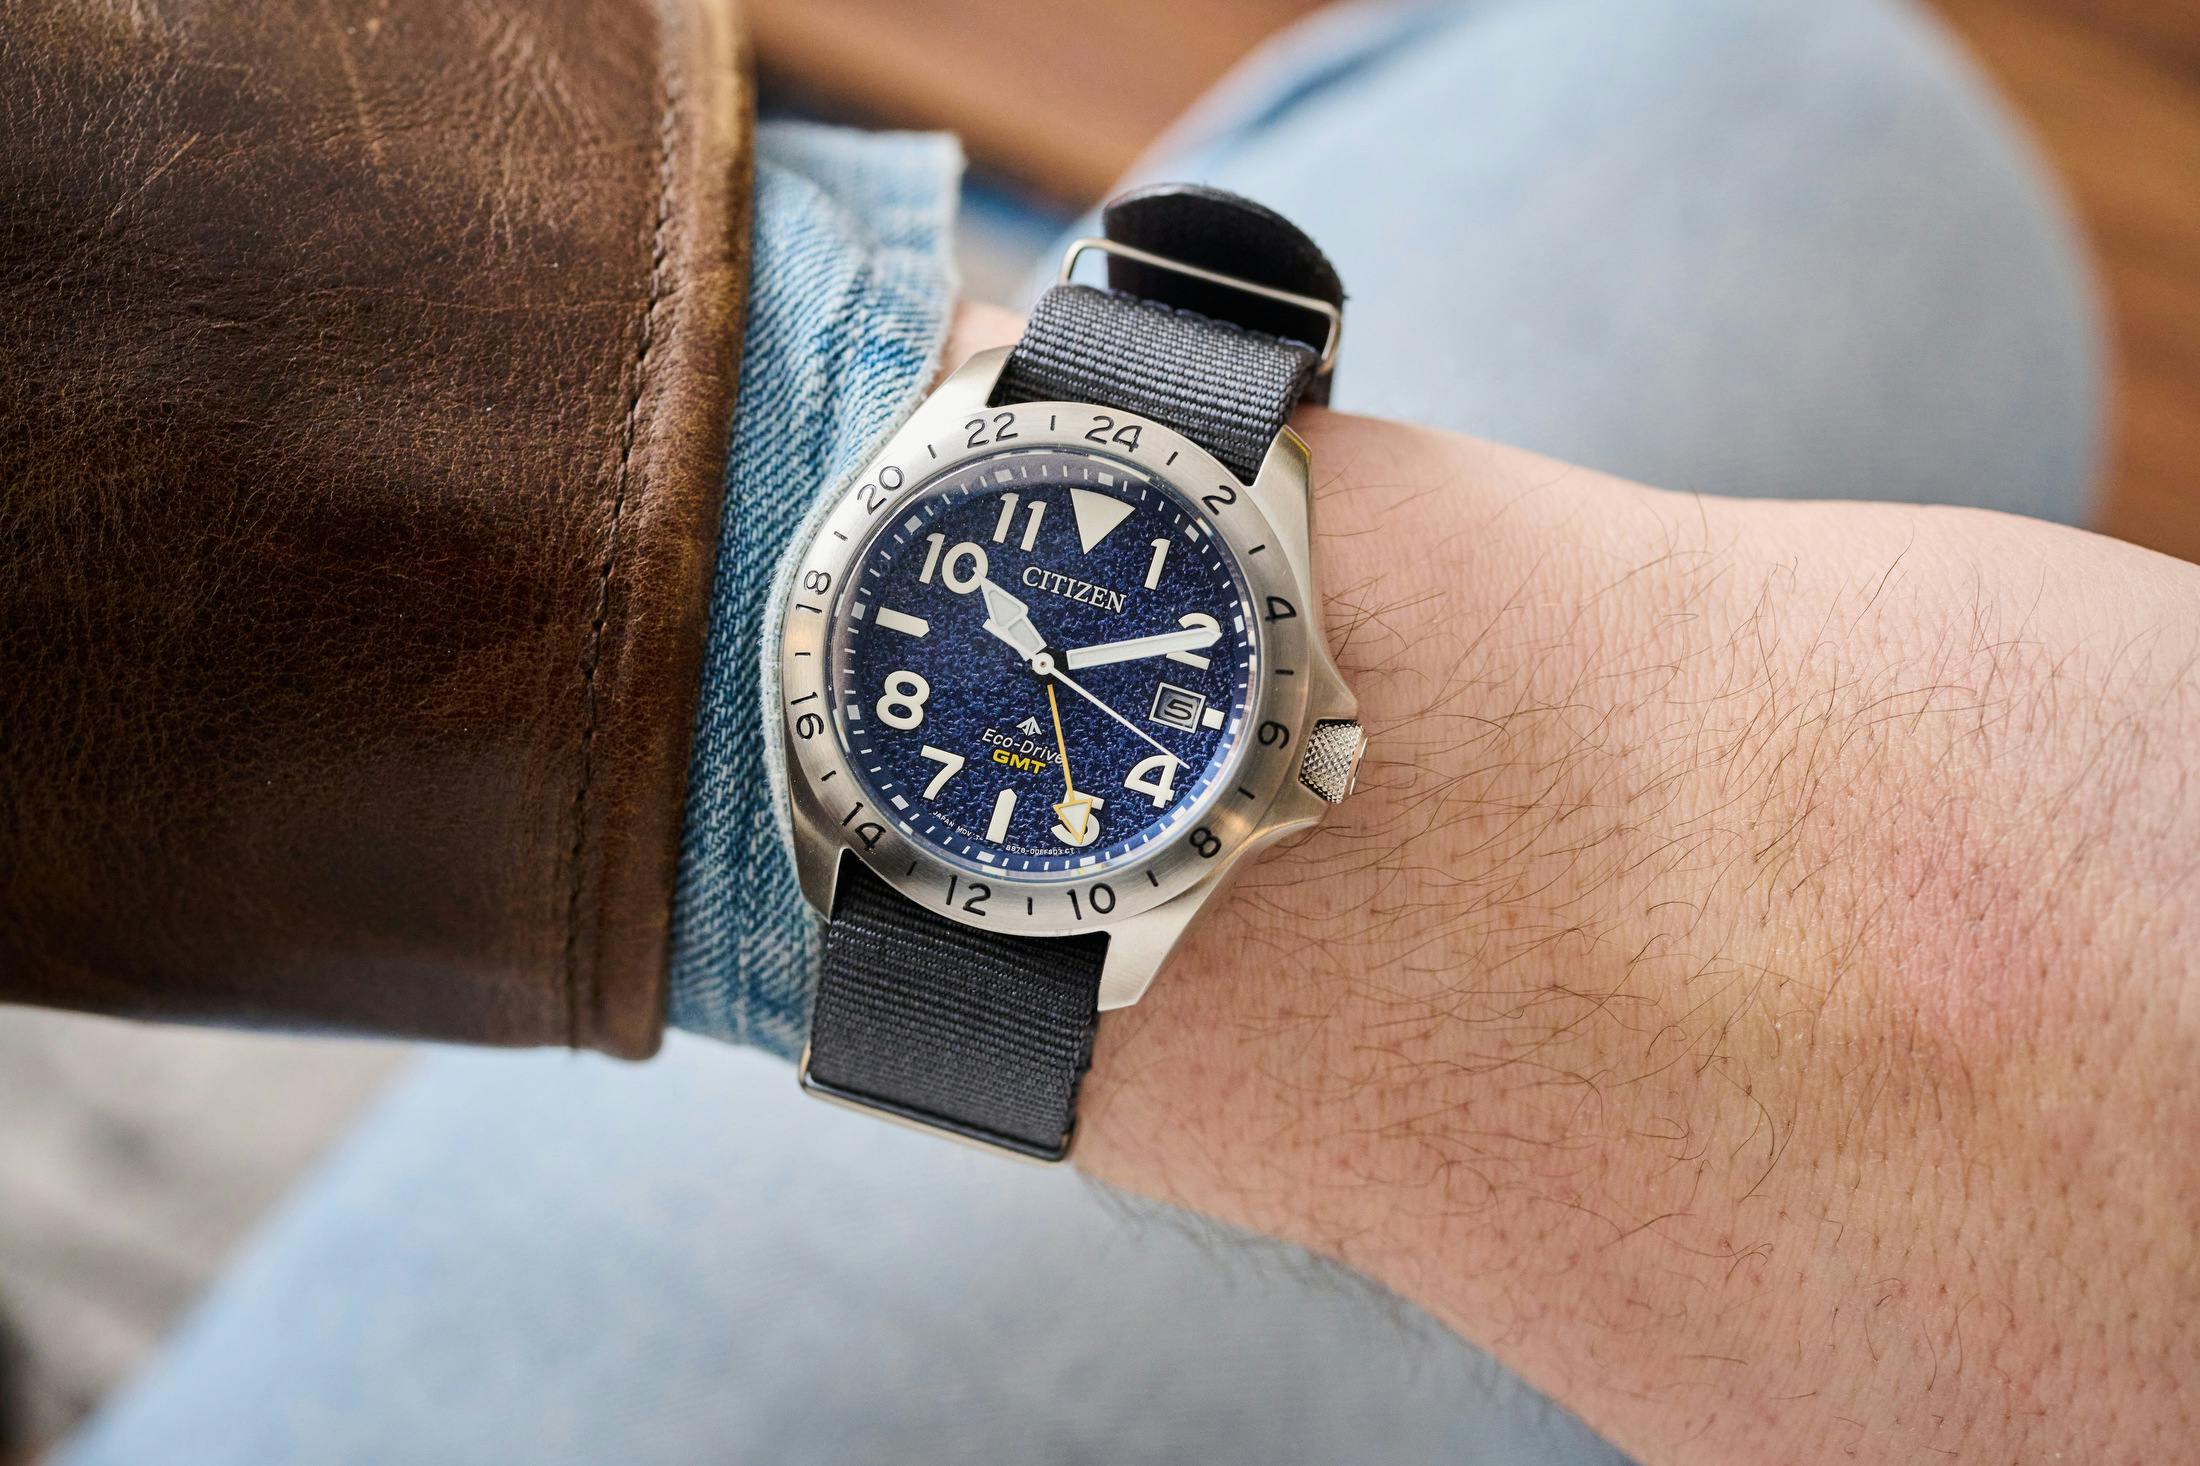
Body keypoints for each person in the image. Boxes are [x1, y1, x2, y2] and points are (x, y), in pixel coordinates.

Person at [4, 1, 2189, 1463]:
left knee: (1772, 101)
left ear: (1290, 759)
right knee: (1776, 106)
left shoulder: (1192, 777)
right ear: (1293, 762)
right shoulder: (1165, 774)